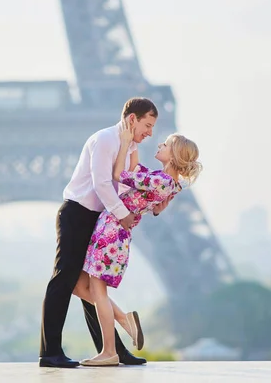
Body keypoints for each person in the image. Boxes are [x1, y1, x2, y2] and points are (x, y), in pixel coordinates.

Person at [39, 98, 169, 368]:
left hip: (99, 217)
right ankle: (50, 352)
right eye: (147, 125)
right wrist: (123, 215)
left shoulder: (129, 146)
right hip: (77, 214)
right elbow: (101, 183)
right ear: (132, 119)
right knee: (65, 280)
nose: (150, 133)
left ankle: (113, 351)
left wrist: (154, 206)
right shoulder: (105, 140)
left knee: (91, 286)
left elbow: (131, 184)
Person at [74, 126, 203, 366]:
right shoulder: (168, 183)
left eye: (164, 145)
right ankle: (124, 320)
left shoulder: (159, 181)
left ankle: (109, 351)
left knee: (96, 290)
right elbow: (135, 172)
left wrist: (124, 144)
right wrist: (132, 143)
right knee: (79, 286)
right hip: (115, 233)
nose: (159, 146)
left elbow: (119, 174)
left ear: (174, 155)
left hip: (111, 231)